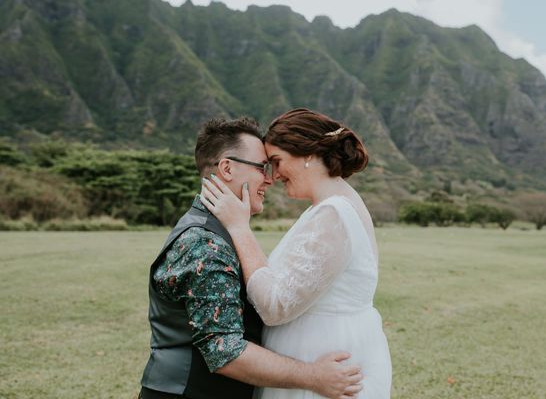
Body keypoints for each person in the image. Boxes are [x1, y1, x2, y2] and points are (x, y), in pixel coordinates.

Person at [139, 117, 363, 399]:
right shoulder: (204, 243)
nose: (269, 179)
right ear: (227, 168)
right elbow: (225, 351)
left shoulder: (218, 230)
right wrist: (314, 376)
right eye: (262, 167)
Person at [201, 109, 393, 399]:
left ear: (308, 154)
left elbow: (275, 306)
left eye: (276, 162)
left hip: (324, 365)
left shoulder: (334, 213)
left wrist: (240, 229)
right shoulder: (329, 206)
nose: (274, 176)